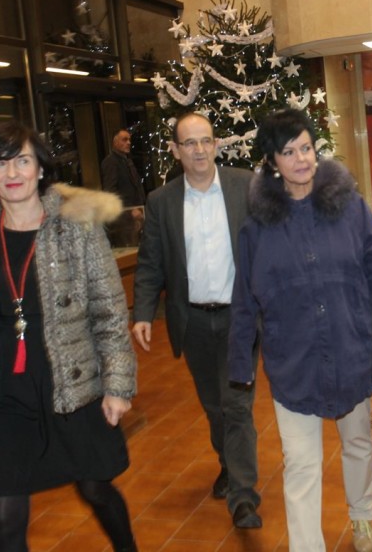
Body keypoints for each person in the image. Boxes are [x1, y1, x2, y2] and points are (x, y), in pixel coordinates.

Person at [0, 121, 138, 552]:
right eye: (0, 163)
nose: (12, 172)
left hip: (72, 384)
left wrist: (117, 386)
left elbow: (109, 314)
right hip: (6, 394)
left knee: (95, 489)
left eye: (22, 160)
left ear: (40, 168)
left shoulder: (76, 227)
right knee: (4, 515)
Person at [229, 108, 372, 552]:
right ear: (271, 162)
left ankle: (363, 515)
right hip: (292, 361)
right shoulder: (257, 227)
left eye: (307, 148)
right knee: (300, 464)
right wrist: (241, 363)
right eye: (289, 151)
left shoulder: (350, 207)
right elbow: (244, 298)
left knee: (357, 444)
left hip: (352, 347)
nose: (301, 159)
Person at [131, 112, 262, 528]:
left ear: (217, 144)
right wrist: (142, 313)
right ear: (175, 150)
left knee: (237, 404)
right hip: (192, 320)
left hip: (240, 318)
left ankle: (243, 497)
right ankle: (228, 463)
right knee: (214, 405)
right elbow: (151, 263)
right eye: (190, 143)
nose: (200, 149)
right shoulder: (161, 201)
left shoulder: (246, 186)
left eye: (206, 140)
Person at [101, 129, 146, 247]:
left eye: (129, 140)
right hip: (124, 220)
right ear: (115, 142)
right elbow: (111, 192)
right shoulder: (111, 162)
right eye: (124, 140)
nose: (128, 143)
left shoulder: (127, 161)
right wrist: (129, 211)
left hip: (136, 215)